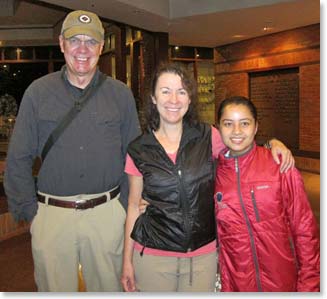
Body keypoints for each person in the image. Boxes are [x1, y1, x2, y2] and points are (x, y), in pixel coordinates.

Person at [120, 63, 294, 292]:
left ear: (190, 99)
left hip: (202, 257)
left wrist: (272, 144)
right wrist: (126, 262)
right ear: (153, 97)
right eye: (165, 91)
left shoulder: (208, 136)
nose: (174, 99)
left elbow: (242, 145)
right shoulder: (139, 149)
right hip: (153, 256)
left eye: (181, 91)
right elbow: (134, 205)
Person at [4, 10, 140, 292]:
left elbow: (134, 159)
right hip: (51, 217)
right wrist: (33, 215)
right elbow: (18, 159)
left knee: (108, 291)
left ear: (101, 48)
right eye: (74, 40)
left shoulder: (120, 94)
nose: (82, 49)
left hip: (107, 216)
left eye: (90, 42)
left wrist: (123, 211)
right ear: (61, 44)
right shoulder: (37, 93)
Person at [214, 96, 320, 292]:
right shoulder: (213, 174)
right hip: (238, 286)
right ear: (218, 128)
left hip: (284, 282)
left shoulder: (279, 165)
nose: (236, 131)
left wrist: (310, 284)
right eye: (228, 124)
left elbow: (305, 230)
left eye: (244, 123)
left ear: (256, 127)